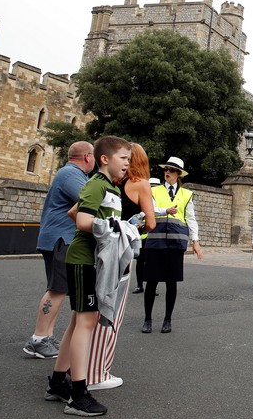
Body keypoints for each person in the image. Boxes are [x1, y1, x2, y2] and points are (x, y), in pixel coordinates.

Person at [45, 135, 131, 417]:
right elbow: (81, 220)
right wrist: (113, 228)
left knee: (78, 320)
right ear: (104, 159)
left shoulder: (109, 188)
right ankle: (78, 395)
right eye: (124, 159)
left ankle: (58, 382)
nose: (128, 165)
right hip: (83, 260)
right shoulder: (96, 184)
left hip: (93, 260)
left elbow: (75, 211)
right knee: (86, 322)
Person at [81, 143, 161, 392]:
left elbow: (76, 212)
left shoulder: (110, 183)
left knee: (90, 312)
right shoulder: (141, 184)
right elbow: (151, 223)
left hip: (97, 249)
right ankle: (96, 372)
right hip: (120, 252)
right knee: (111, 311)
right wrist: (130, 228)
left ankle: (81, 368)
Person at [24, 141, 93, 359]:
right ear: (87, 157)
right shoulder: (71, 174)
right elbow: (88, 201)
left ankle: (46, 336)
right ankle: (38, 339)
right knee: (57, 288)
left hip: (59, 238)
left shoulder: (69, 173)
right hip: (61, 239)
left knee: (59, 288)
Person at [143, 156, 203, 334]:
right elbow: (149, 209)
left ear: (178, 174)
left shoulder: (186, 194)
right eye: (166, 169)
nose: (167, 172)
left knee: (171, 282)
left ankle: (167, 319)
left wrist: (196, 242)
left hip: (176, 243)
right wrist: (165, 211)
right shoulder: (154, 191)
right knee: (151, 282)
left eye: (171, 170)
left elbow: (191, 219)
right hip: (155, 241)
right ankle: (147, 319)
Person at [132, 177, 160, 294]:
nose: (152, 189)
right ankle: (139, 285)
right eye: (151, 186)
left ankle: (151, 287)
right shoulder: (141, 198)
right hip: (143, 235)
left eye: (155, 186)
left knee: (153, 262)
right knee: (140, 261)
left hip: (155, 235)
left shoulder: (159, 199)